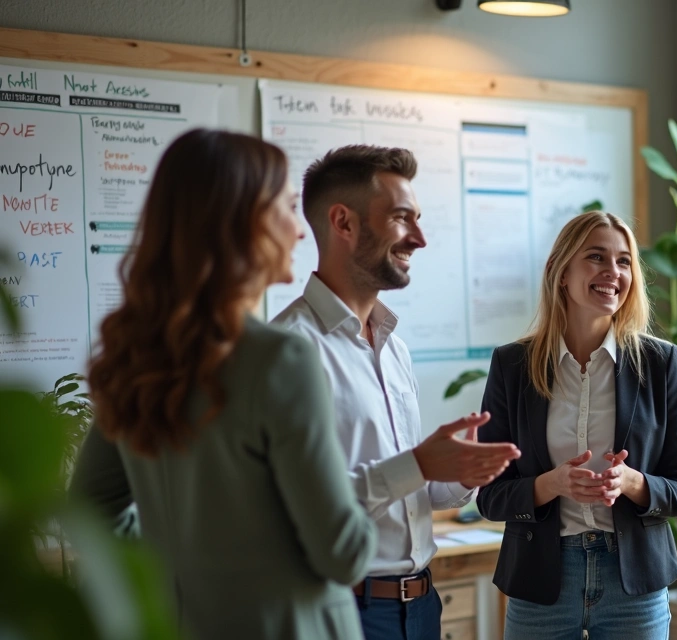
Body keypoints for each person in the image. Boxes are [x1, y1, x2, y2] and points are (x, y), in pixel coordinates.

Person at [72, 128, 376, 639]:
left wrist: (173, 565)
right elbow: (343, 553)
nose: (300, 231)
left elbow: (88, 508)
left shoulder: (132, 358)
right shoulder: (281, 357)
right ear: (246, 221)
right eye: (285, 206)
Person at [272, 144, 521, 640]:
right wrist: (420, 464)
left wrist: (463, 470)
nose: (420, 239)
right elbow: (296, 511)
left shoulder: (395, 349)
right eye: (402, 218)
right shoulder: (287, 351)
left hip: (422, 607)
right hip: (342, 611)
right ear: (343, 223)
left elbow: (411, 489)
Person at [475, 210, 677, 639]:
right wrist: (551, 484)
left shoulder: (658, 362)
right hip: (541, 585)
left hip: (633, 588)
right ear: (561, 272)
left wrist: (633, 483)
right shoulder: (513, 365)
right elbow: (488, 496)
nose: (612, 272)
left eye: (624, 261)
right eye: (596, 257)